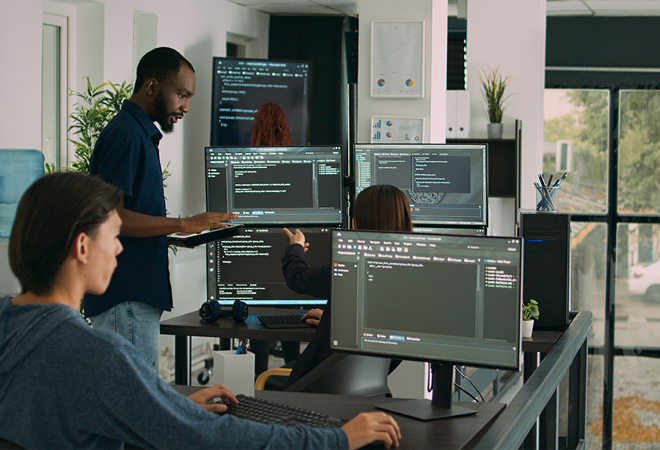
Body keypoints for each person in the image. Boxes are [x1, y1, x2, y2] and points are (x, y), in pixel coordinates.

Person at [0, 172, 401, 450]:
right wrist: (340, 439)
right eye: (114, 237)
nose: (120, 249)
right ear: (83, 248)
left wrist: (165, 405)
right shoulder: (100, 358)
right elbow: (215, 441)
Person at [86, 47, 237, 367]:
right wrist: (182, 225)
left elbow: (129, 216)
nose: (185, 106)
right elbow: (110, 218)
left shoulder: (139, 134)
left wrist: (178, 235)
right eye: (181, 94)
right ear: (152, 86)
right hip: (124, 295)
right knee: (134, 403)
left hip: (134, 295)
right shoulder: (126, 135)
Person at [281, 185, 413, 387]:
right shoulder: (410, 272)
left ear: (357, 221)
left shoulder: (352, 267)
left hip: (313, 390)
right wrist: (333, 322)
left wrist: (296, 246)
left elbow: (297, 277)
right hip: (365, 390)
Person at [248, 100, 298, 373]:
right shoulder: (295, 161)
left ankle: (259, 383)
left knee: (259, 324)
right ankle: (291, 382)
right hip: (288, 243)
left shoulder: (246, 162)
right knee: (290, 318)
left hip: (258, 248)